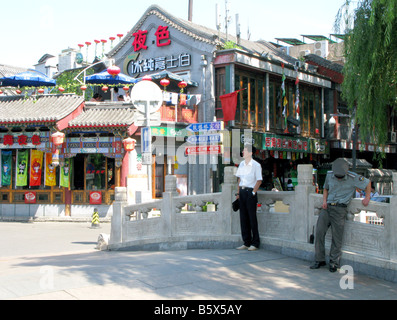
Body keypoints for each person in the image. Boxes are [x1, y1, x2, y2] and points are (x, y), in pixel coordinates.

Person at [310, 158, 371, 272]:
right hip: (327, 207)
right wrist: (324, 201)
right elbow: (325, 189)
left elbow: (368, 183)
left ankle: (334, 262)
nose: (338, 177)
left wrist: (367, 197)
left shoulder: (353, 177)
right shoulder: (329, 175)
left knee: (337, 237)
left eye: (340, 176)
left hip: (340, 209)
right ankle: (319, 259)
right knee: (319, 232)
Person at [235, 143, 263, 251]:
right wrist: (238, 193)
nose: (243, 152)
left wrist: (253, 193)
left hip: (250, 192)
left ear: (250, 153)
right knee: (243, 218)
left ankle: (255, 243)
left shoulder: (256, 165)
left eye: (245, 151)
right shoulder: (241, 164)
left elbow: (259, 180)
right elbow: (239, 180)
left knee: (252, 218)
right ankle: (246, 242)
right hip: (242, 192)